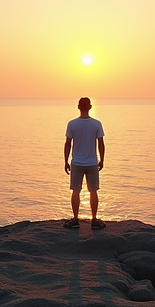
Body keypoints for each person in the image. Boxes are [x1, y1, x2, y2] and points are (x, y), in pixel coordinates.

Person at [63, 97, 106, 229]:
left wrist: (65, 161)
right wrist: (102, 160)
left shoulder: (72, 124)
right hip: (92, 162)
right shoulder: (96, 124)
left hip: (77, 162)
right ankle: (94, 220)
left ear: (78, 107)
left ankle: (75, 219)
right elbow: (101, 143)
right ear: (90, 107)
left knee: (75, 191)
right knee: (93, 191)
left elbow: (68, 144)